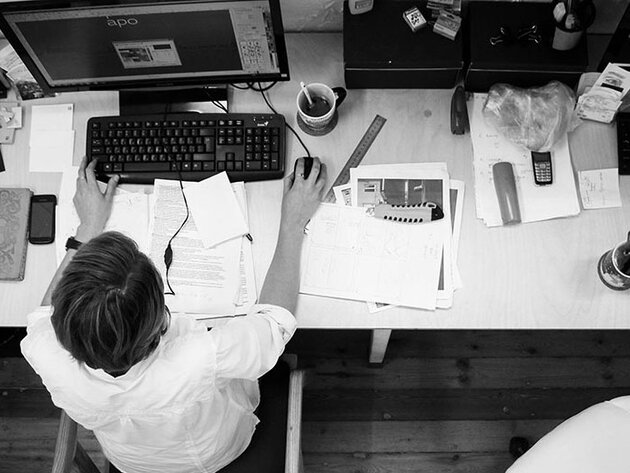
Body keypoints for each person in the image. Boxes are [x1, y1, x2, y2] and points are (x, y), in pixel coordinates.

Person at [20, 156, 326, 473]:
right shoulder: (199, 358)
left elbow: (44, 314)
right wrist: (293, 222)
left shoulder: (43, 352)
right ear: (159, 318)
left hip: (132, 463)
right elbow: (275, 324)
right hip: (219, 451)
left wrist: (86, 229)